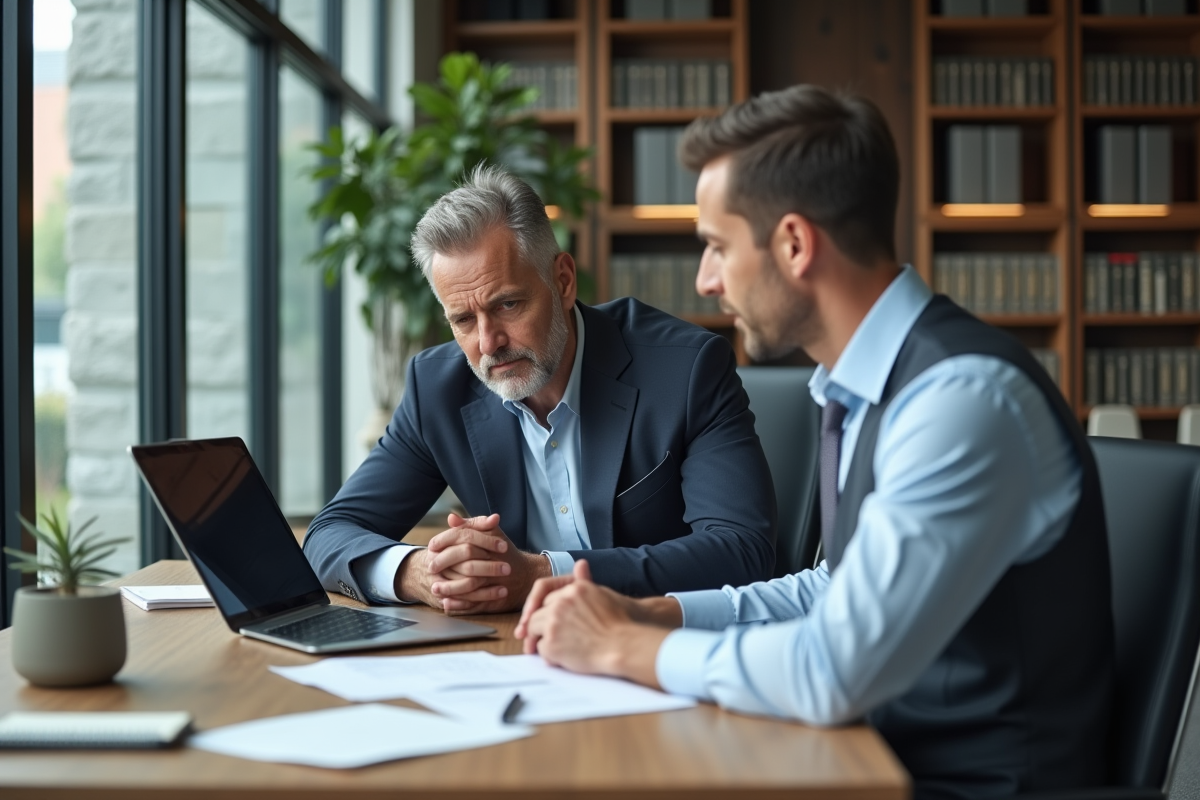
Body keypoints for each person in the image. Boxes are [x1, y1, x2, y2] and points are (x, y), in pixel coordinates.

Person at [516, 85, 1115, 798]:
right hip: (866, 764)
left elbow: (831, 671)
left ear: (795, 244)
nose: (706, 281)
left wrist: (624, 646)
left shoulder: (961, 402)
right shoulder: (859, 385)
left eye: (715, 246)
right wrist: (658, 611)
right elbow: (837, 590)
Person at [303, 165, 776, 615]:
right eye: (463, 320)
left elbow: (741, 550)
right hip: (517, 650)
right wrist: (417, 572)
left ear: (563, 282)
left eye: (508, 304)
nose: (489, 344)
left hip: (655, 642)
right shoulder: (437, 388)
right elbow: (329, 534)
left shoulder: (685, 369)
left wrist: (543, 574)